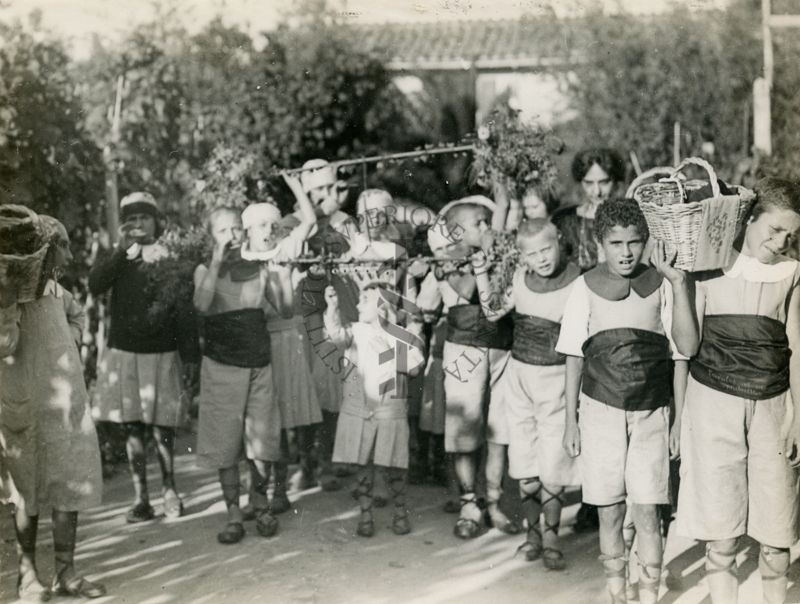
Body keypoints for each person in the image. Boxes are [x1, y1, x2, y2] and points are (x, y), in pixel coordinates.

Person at [556, 199, 698, 604]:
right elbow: (573, 358)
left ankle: (649, 595)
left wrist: (677, 422)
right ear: (600, 243)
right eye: (616, 243)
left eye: (635, 241)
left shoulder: (660, 285)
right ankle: (618, 593)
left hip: (651, 412)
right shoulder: (583, 288)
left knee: (648, 513)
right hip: (600, 413)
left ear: (646, 241)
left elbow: (682, 353)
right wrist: (571, 422)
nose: (626, 252)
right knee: (610, 511)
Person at [675, 177, 800, 604]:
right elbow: (687, 346)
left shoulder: (792, 274)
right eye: (775, 230)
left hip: (772, 406)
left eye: (791, 234)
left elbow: (797, 349)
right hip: (713, 406)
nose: (782, 241)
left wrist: (797, 418)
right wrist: (678, 286)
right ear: (750, 220)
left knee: (776, 538)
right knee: (722, 536)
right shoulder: (710, 267)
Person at [1, 207, 105, 600]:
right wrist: (7, 305)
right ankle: (27, 576)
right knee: (25, 489)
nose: (67, 255)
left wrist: (70, 347)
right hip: (21, 406)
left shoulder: (57, 292)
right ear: (43, 250)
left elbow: (77, 318)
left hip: (63, 406)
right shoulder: (7, 297)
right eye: (61, 246)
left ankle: (67, 572)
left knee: (67, 482)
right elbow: (5, 346)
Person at [193, 199, 305, 544]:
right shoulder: (204, 270)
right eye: (222, 231)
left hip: (258, 363)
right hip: (221, 365)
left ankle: (261, 504)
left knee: (263, 439)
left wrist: (283, 272)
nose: (232, 236)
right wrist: (216, 259)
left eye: (236, 229)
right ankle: (232, 514)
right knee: (225, 442)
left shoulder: (260, 267)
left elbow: (285, 309)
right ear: (210, 237)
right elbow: (201, 305)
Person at [473, 218, 581, 570]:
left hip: (558, 380)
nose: (542, 259)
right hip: (519, 381)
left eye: (546, 249)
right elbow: (491, 311)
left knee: (553, 462)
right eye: (532, 253)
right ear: (522, 256)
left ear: (559, 242)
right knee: (525, 460)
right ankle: (532, 534)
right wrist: (480, 274)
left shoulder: (578, 281)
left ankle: (552, 535)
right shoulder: (518, 279)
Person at [90, 192, 199, 523]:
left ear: (157, 222)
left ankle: (170, 491)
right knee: (132, 426)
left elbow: (184, 311)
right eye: (131, 219)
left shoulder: (171, 259)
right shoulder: (121, 258)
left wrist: (191, 355)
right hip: (125, 353)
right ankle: (141, 499)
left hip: (162, 353)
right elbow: (95, 285)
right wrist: (123, 251)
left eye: (144, 218)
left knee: (162, 426)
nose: (138, 224)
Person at [417, 196, 518, 539]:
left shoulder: (496, 257)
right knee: (464, 426)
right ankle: (468, 502)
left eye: (490, 222)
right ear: (457, 232)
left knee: (499, 427)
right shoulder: (445, 261)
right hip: (463, 348)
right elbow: (461, 291)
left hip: (502, 348)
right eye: (480, 223)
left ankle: (493, 499)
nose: (488, 229)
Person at [239, 175, 319, 513]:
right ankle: (259, 489)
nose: (268, 230)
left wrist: (296, 185)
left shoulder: (284, 252)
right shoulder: (241, 260)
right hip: (255, 344)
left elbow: (310, 219)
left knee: (282, 418)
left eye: (272, 224)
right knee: (258, 420)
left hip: (285, 340)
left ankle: (280, 491)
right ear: (248, 231)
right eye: (260, 226)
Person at [324, 280, 424, 537]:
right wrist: (332, 308)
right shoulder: (355, 330)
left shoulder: (400, 335)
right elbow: (335, 336)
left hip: (389, 410)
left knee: (394, 464)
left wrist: (393, 350)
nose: (357, 304)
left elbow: (413, 368)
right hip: (359, 407)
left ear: (383, 307)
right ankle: (366, 514)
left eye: (364, 300)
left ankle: (400, 512)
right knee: (362, 462)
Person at [552, 148, 626, 272]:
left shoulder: (627, 218)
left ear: (615, 180)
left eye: (604, 182)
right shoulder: (564, 220)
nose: (597, 192)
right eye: (589, 183)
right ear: (581, 181)